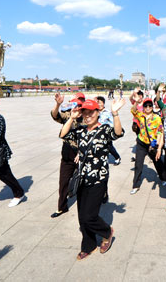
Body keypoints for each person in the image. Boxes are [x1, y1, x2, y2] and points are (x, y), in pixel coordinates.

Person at [60, 98, 125, 260]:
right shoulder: (80, 131)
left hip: (98, 179)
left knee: (90, 216)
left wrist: (115, 113)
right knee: (82, 218)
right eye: (85, 112)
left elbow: (118, 133)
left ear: (98, 113)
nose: (88, 116)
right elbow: (63, 135)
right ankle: (88, 246)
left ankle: (106, 231)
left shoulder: (104, 130)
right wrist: (72, 118)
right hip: (82, 178)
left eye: (91, 112)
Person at [50, 92, 85, 218]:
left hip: (81, 154)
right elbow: (55, 116)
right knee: (63, 182)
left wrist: (82, 152)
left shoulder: (87, 120)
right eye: (75, 105)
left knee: (84, 182)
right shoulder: (68, 115)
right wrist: (58, 104)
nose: (77, 109)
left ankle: (101, 195)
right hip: (67, 153)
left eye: (80, 106)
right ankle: (62, 207)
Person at [130, 98, 165, 194]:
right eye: (146, 106)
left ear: (152, 107)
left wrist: (157, 145)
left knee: (158, 162)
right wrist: (136, 102)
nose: (148, 107)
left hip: (152, 144)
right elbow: (133, 110)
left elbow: (160, 131)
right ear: (143, 107)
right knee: (138, 164)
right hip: (141, 143)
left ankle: (163, 178)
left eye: (150, 105)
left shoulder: (157, 118)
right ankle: (136, 185)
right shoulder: (140, 115)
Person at [96, 96, 121, 166]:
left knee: (109, 147)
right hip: (98, 133)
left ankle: (117, 157)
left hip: (106, 133)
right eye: (97, 103)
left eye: (100, 103)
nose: (99, 105)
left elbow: (113, 122)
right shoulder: (95, 112)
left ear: (103, 103)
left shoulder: (107, 112)